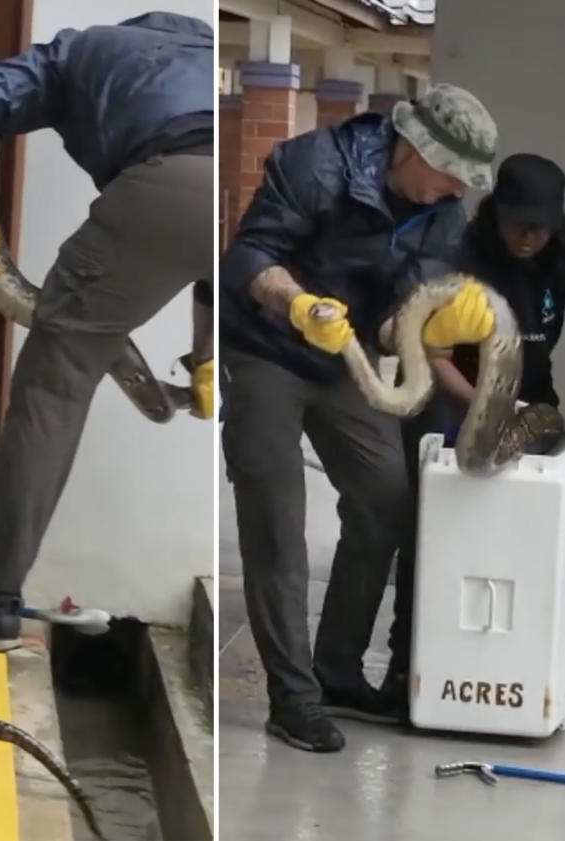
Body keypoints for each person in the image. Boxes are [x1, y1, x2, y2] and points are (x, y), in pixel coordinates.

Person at [0, 13, 215, 651]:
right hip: (234, 189)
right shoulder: (204, 57)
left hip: (165, 183)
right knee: (87, 345)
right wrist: (207, 356)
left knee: (53, 385)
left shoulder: (77, 52)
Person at [218, 83, 500, 753]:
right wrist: (296, 306)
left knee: (386, 503)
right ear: (413, 148)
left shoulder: (442, 216)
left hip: (343, 361)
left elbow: (386, 327)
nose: (455, 189)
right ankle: (292, 698)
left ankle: (337, 670)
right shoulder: (315, 164)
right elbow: (248, 257)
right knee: (276, 518)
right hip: (265, 347)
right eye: (450, 174)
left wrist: (427, 320)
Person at [387, 152, 565, 719]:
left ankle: (532, 667)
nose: (531, 237)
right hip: (451, 397)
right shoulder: (459, 256)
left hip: (530, 399)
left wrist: (526, 412)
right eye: (520, 225)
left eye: (543, 227)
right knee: (435, 528)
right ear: (496, 212)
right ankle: (406, 668)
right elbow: (429, 351)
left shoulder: (555, 257)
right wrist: (488, 406)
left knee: (532, 536)